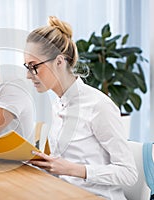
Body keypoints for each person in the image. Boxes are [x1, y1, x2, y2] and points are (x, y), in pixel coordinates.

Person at [24, 16, 138, 199]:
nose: (29, 76)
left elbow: (129, 173)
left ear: (59, 62)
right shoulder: (58, 104)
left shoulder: (98, 105)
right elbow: (62, 165)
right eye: (27, 67)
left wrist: (74, 169)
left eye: (33, 66)